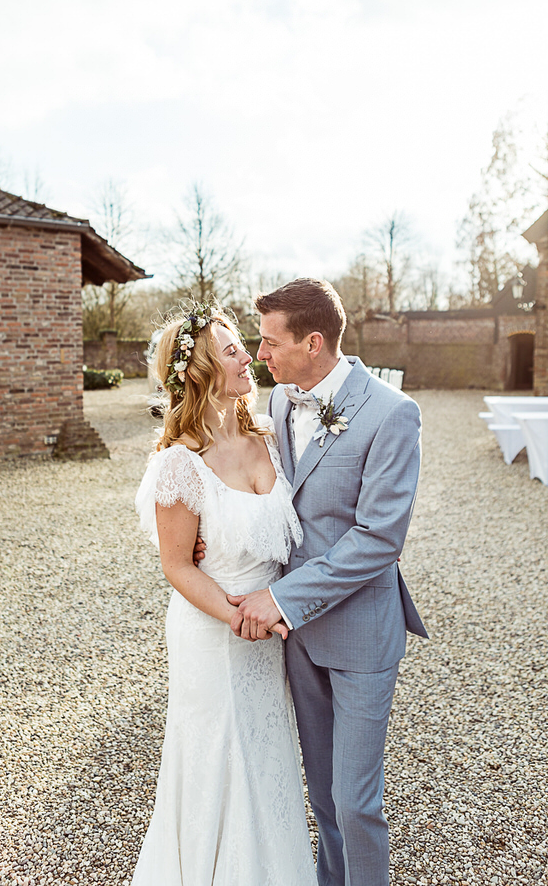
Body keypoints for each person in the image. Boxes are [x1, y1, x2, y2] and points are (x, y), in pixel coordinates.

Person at [227, 278, 429, 886]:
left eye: (269, 343)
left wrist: (281, 597)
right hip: (299, 639)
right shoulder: (284, 401)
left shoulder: (393, 414)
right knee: (321, 796)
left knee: (356, 800)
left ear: (313, 342)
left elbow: (378, 539)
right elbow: (278, 500)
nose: (259, 356)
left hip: (362, 635)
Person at [132, 302, 318, 886]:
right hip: (215, 632)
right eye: (233, 349)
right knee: (219, 758)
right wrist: (238, 617)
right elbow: (177, 567)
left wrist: (279, 608)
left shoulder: (270, 434)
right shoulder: (178, 465)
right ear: (202, 371)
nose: (250, 356)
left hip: (269, 633)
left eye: (242, 344)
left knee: (266, 758)